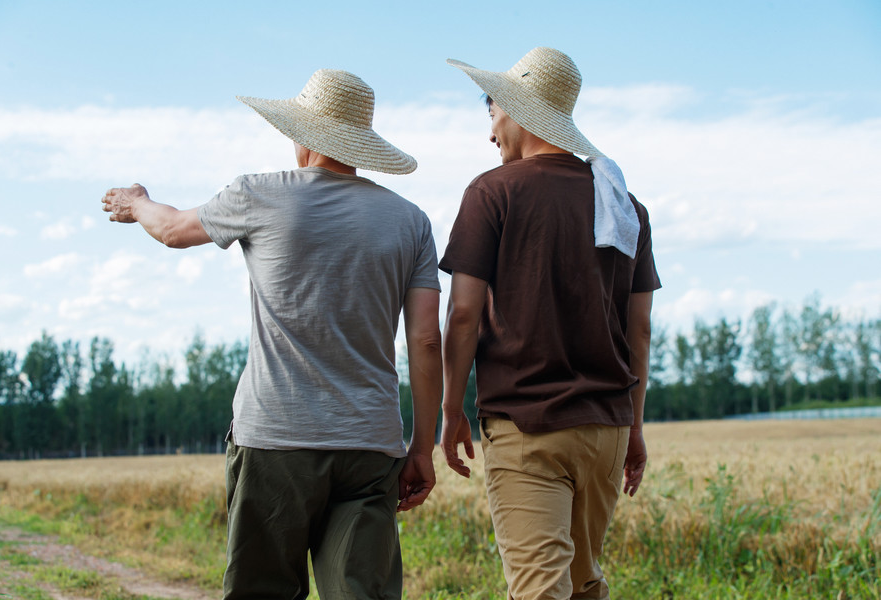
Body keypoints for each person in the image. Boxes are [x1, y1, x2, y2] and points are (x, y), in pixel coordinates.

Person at [101, 69, 442, 600]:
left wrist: (136, 202)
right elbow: (425, 342)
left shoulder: (259, 195)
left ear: (303, 135)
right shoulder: (410, 222)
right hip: (369, 445)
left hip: (275, 438)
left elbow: (171, 229)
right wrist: (422, 446)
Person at [438, 47, 661, 600]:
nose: (490, 133)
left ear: (516, 111)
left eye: (491, 112)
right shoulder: (623, 202)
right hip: (606, 430)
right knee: (582, 586)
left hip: (527, 426)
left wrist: (449, 407)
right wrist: (633, 427)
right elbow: (639, 331)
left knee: (541, 591)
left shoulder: (492, 191)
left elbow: (463, 312)